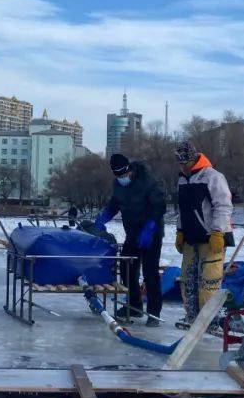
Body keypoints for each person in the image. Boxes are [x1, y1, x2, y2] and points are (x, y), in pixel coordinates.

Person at [95, 153, 166, 327]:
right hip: (132, 234)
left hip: (151, 233)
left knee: (150, 273)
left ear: (129, 169)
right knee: (127, 269)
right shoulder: (118, 184)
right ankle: (134, 305)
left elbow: (159, 206)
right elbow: (114, 204)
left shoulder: (147, 180)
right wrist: (103, 217)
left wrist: (150, 228)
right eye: (117, 175)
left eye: (123, 174)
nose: (121, 178)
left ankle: (154, 313)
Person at [173, 141, 234, 330]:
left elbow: (223, 206)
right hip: (191, 237)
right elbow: (181, 209)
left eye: (186, 162)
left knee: (209, 280)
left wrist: (218, 231)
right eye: (180, 163)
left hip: (212, 237)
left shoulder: (212, 177)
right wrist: (180, 231)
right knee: (188, 279)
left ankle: (209, 319)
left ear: (193, 158)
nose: (183, 166)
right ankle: (192, 316)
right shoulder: (182, 180)